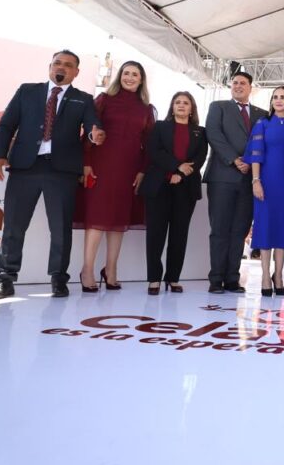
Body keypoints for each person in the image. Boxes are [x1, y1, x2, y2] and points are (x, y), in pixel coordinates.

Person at [0, 50, 105, 300]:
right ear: (50, 66)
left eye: (68, 65)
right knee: (14, 226)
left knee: (61, 228)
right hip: (24, 167)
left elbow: (92, 126)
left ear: (76, 72)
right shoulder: (27, 91)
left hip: (62, 171)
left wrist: (95, 135)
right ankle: (5, 278)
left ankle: (59, 279)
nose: (61, 67)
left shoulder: (83, 99)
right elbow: (7, 124)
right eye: (57, 63)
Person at [75, 61, 155, 292]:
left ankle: (111, 269)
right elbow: (89, 132)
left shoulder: (147, 109)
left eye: (135, 74)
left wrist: (142, 170)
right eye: (126, 73)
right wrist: (86, 163)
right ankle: (87, 270)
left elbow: (149, 144)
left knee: (119, 221)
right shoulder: (103, 100)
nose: (129, 77)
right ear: (120, 76)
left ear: (141, 80)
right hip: (101, 165)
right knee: (97, 217)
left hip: (129, 169)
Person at [203, 70, 267, 294]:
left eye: (243, 83)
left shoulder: (262, 114)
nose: (238, 86)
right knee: (220, 229)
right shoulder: (218, 107)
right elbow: (213, 134)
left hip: (250, 179)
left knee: (240, 230)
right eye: (235, 83)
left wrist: (251, 164)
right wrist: (234, 159)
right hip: (223, 176)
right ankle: (216, 279)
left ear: (251, 87)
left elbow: (264, 142)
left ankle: (232, 279)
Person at [140, 91, 207, 295]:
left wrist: (181, 173)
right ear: (172, 106)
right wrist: (176, 167)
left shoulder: (200, 131)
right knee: (156, 234)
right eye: (177, 102)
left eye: (186, 102)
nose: (181, 105)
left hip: (186, 188)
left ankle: (173, 278)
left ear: (191, 108)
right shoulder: (160, 127)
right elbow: (154, 152)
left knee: (179, 235)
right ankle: (154, 279)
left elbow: (200, 157)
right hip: (159, 186)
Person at [244, 86, 284, 297]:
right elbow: (256, 154)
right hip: (265, 181)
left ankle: (279, 276)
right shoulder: (263, 123)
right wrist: (256, 180)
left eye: (283, 97)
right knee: (265, 226)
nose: (278, 100)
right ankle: (266, 276)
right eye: (275, 97)